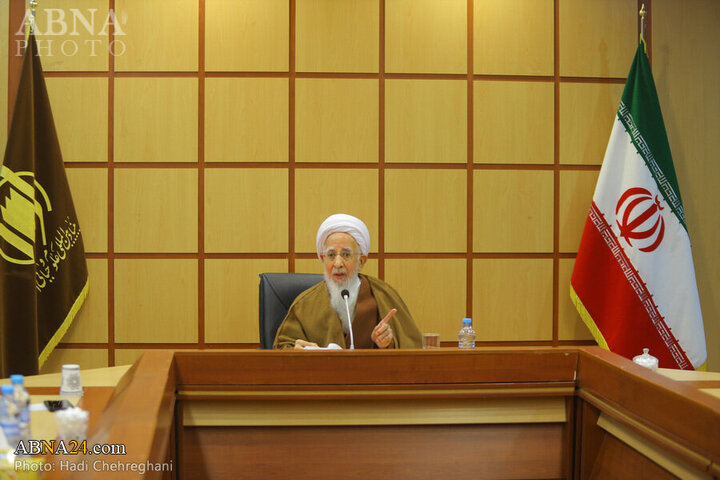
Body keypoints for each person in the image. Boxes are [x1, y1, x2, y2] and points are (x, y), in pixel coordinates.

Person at [274, 214, 422, 350]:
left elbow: (411, 349)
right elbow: (281, 349)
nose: (338, 263)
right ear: (322, 258)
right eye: (331, 255)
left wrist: (388, 344)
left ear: (361, 260)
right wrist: (295, 350)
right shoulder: (304, 304)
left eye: (346, 254)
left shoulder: (384, 296)